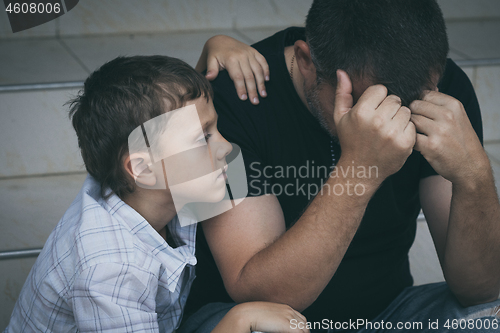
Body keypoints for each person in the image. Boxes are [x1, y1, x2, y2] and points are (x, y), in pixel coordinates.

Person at [181, 0, 500, 332]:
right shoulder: (228, 101)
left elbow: (481, 289)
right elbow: (258, 292)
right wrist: (361, 169)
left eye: (410, 104)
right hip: (253, 319)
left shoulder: (445, 93)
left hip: (388, 314)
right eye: (366, 101)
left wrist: (473, 174)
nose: (390, 121)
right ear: (306, 61)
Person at [4, 52, 310, 333]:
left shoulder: (150, 186)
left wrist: (214, 47)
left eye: (215, 129)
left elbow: (170, 112)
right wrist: (239, 321)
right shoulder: (111, 269)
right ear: (142, 169)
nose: (226, 147)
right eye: (203, 138)